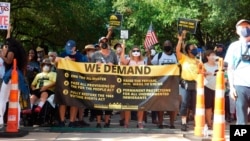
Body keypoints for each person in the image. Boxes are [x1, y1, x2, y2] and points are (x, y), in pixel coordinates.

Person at [56, 40, 89, 127]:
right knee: (62, 102)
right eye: (67, 48)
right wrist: (63, 59)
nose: (68, 49)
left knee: (74, 102)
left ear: (74, 48)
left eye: (70, 48)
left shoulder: (80, 56)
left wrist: (71, 61)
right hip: (63, 80)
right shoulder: (63, 54)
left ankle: (72, 121)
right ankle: (62, 121)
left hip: (76, 81)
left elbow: (85, 67)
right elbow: (55, 60)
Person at [0, 25, 28, 128]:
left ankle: (0, 121)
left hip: (10, 76)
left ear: (8, 45)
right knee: (15, 100)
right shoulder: (18, 50)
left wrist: (1, 55)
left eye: (5, 46)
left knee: (2, 98)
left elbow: (9, 60)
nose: (4, 47)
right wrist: (8, 30)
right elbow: (8, 38)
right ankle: (17, 121)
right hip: (18, 76)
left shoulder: (11, 51)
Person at [224, 19, 250, 125]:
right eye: (241, 27)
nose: (245, 29)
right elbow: (230, 68)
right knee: (241, 119)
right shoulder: (234, 46)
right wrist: (232, 87)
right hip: (240, 85)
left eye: (247, 26)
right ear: (237, 31)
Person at [149, 40, 178, 129]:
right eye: (165, 44)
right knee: (161, 104)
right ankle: (160, 123)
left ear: (171, 46)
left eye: (169, 44)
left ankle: (172, 123)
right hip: (161, 83)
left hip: (172, 83)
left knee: (172, 104)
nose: (167, 45)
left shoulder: (175, 56)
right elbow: (151, 65)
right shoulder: (159, 55)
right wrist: (148, 54)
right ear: (163, 46)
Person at [91, 37, 118, 128]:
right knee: (98, 102)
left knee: (108, 102)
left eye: (106, 41)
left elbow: (118, 68)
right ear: (99, 44)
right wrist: (95, 65)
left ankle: (107, 122)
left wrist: (113, 66)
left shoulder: (113, 54)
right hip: (98, 82)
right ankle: (98, 122)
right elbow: (88, 68)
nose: (104, 43)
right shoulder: (95, 55)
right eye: (102, 42)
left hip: (110, 82)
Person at [176, 30, 200, 131]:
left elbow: (202, 71)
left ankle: (196, 123)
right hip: (185, 84)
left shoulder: (198, 60)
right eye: (192, 48)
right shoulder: (184, 58)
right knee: (185, 103)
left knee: (195, 104)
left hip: (196, 84)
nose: (194, 49)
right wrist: (180, 40)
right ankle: (184, 123)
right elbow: (177, 51)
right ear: (188, 50)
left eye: (195, 48)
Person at [120, 45, 146, 129]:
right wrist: (123, 49)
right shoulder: (129, 61)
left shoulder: (143, 61)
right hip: (129, 85)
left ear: (140, 52)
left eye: (137, 50)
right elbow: (122, 61)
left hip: (140, 85)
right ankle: (127, 122)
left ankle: (140, 122)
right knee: (128, 105)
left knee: (141, 105)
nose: (136, 52)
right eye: (134, 51)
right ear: (131, 52)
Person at [203, 50, 218, 129]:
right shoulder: (204, 65)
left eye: (214, 55)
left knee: (217, 107)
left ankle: (216, 122)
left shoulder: (219, 65)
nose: (213, 56)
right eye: (211, 55)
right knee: (208, 106)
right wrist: (204, 74)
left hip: (218, 89)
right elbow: (200, 77)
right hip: (207, 87)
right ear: (207, 57)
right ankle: (209, 122)